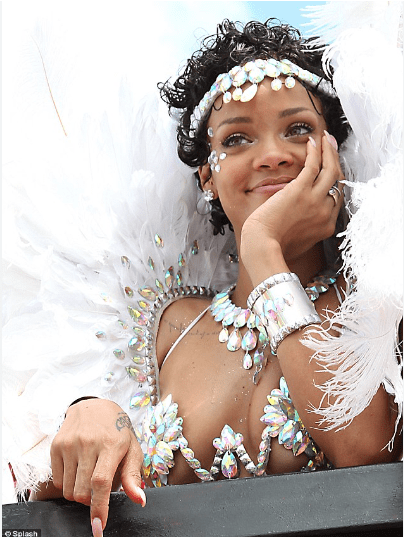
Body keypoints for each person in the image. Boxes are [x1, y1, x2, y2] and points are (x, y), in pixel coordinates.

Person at [3, 10, 402, 537]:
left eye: (299, 129)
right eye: (237, 139)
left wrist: (263, 253)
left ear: (334, 155)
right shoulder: (165, 327)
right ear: (207, 177)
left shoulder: (375, 301)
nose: (272, 155)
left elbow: (364, 455)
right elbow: (79, 502)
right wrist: (92, 414)